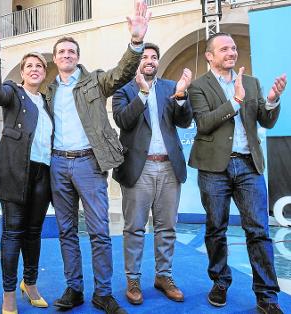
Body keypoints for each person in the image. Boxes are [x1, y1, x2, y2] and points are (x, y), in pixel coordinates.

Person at [46, 2, 151, 313]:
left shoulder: (95, 80)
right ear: (55, 58)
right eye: (61, 52)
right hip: (58, 164)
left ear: (78, 57)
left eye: (71, 52)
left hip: (89, 164)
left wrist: (135, 42)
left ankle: (103, 293)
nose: (66, 55)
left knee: (99, 231)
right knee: (66, 230)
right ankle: (74, 288)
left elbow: (122, 74)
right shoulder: (48, 91)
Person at [187, 32, 287, 314]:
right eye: (224, 49)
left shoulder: (253, 83)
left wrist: (272, 100)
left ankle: (267, 296)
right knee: (215, 228)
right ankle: (220, 280)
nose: (231, 52)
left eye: (233, 48)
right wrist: (235, 102)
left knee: (258, 231)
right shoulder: (199, 87)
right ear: (209, 56)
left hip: (248, 166)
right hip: (213, 169)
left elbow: (266, 121)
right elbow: (204, 123)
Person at [112, 43, 193, 305]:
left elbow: (184, 121)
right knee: (134, 228)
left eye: (154, 57)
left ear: (158, 62)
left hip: (169, 166)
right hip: (139, 168)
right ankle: (133, 280)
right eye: (145, 56)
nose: (149, 60)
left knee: (167, 227)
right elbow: (123, 121)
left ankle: (163, 276)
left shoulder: (171, 88)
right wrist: (143, 95)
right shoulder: (124, 91)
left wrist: (181, 97)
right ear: (138, 62)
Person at [0, 33, 52, 314]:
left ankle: (30, 283)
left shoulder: (47, 103)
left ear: (45, 73)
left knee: (34, 233)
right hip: (14, 172)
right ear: (22, 73)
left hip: (43, 174)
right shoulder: (13, 92)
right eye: (29, 66)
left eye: (39, 66)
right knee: (12, 234)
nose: (35, 69)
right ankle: (9, 293)